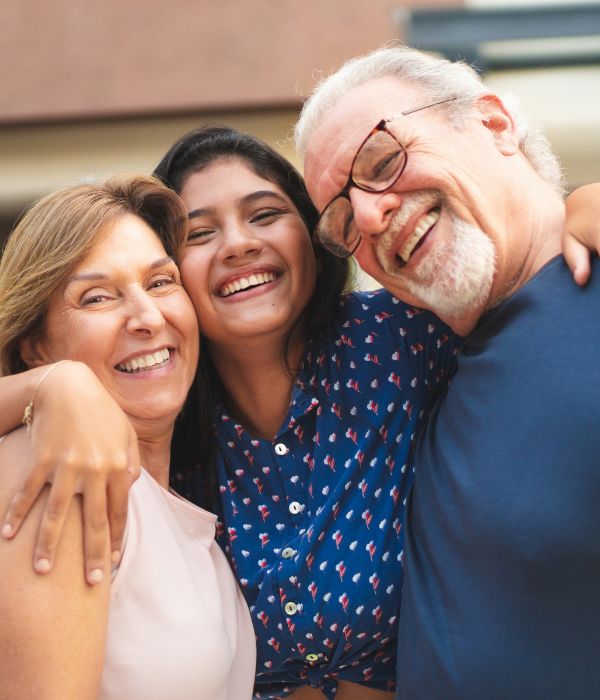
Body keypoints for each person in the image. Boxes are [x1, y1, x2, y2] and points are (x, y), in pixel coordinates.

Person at [0, 128, 597, 699]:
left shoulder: (403, 336)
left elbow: (519, 276)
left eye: (264, 215)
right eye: (200, 234)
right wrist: (53, 386)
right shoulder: (151, 420)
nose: (239, 244)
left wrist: (578, 203)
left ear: (317, 235)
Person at [295, 44, 600, 698]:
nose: (372, 216)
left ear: (493, 123)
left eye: (384, 160)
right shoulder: (406, 372)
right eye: (343, 221)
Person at [0, 174, 255, 699]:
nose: (147, 316)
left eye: (161, 282)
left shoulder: (180, 500)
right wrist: (54, 384)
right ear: (35, 349)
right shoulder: (55, 464)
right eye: (97, 298)